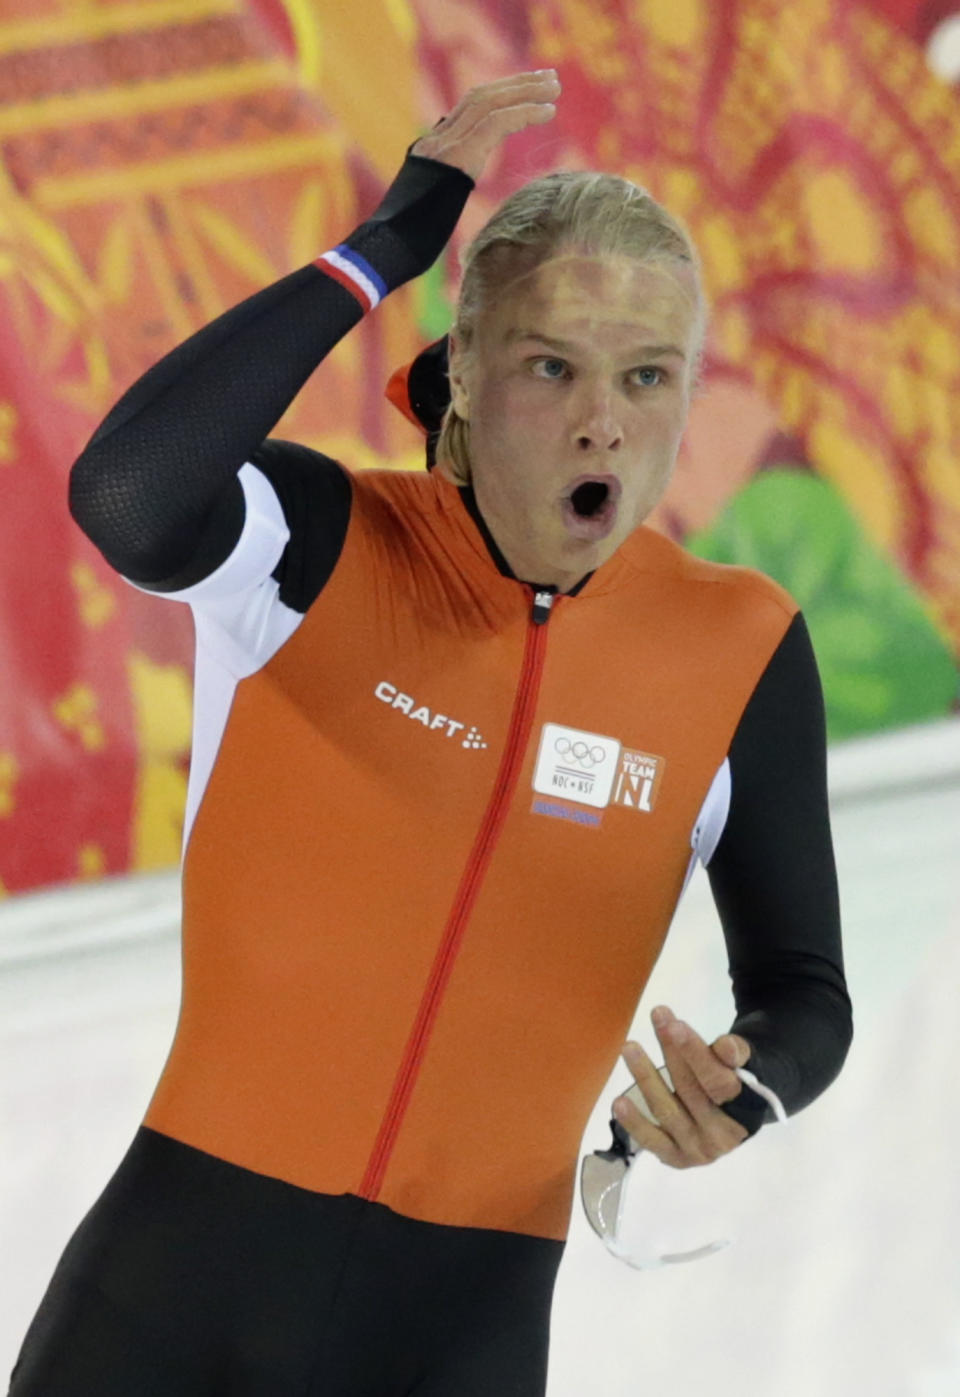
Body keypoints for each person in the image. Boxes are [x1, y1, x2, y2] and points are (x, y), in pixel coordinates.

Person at [9, 71, 852, 1396]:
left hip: (457, 1338)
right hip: (169, 1308)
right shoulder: (317, 545)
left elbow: (808, 993)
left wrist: (748, 1090)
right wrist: (383, 247)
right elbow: (129, 490)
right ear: (461, 367)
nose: (604, 422)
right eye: (548, 366)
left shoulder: (737, 649)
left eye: (648, 376)